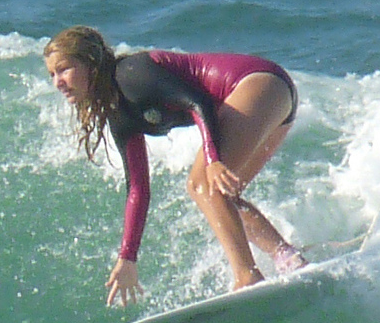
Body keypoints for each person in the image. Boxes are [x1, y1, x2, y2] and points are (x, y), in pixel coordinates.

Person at [43, 26, 305, 306]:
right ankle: (288, 259)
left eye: (64, 69)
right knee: (221, 194)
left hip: (256, 85)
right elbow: (138, 190)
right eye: (52, 75)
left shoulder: (131, 75)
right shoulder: (118, 113)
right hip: (272, 94)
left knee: (202, 185)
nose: (58, 81)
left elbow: (198, 101)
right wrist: (127, 258)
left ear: (90, 64)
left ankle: (247, 277)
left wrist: (213, 159)